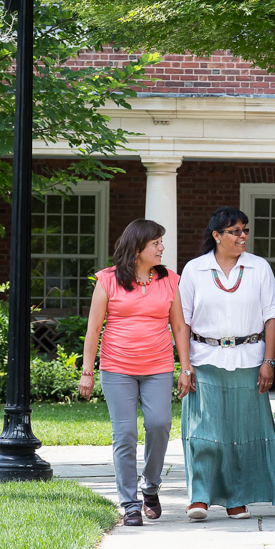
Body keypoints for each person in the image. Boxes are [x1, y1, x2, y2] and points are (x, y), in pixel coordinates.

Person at [177, 206, 275, 520]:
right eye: (234, 231)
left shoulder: (259, 268)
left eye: (245, 229)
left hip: (249, 360)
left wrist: (269, 361)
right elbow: (182, 322)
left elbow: (272, 316)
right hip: (204, 359)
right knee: (204, 432)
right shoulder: (194, 270)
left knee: (240, 434)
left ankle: (236, 498)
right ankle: (199, 497)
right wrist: (185, 367)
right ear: (217, 235)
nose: (242, 236)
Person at [79, 219, 191, 527]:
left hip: (158, 366)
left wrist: (186, 367)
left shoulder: (169, 280)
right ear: (137, 247)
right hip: (117, 368)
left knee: (159, 424)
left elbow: (179, 326)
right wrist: (87, 371)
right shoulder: (108, 280)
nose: (162, 248)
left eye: (161, 243)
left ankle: (150, 486)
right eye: (156, 243)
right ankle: (129, 503)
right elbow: (94, 328)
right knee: (125, 434)